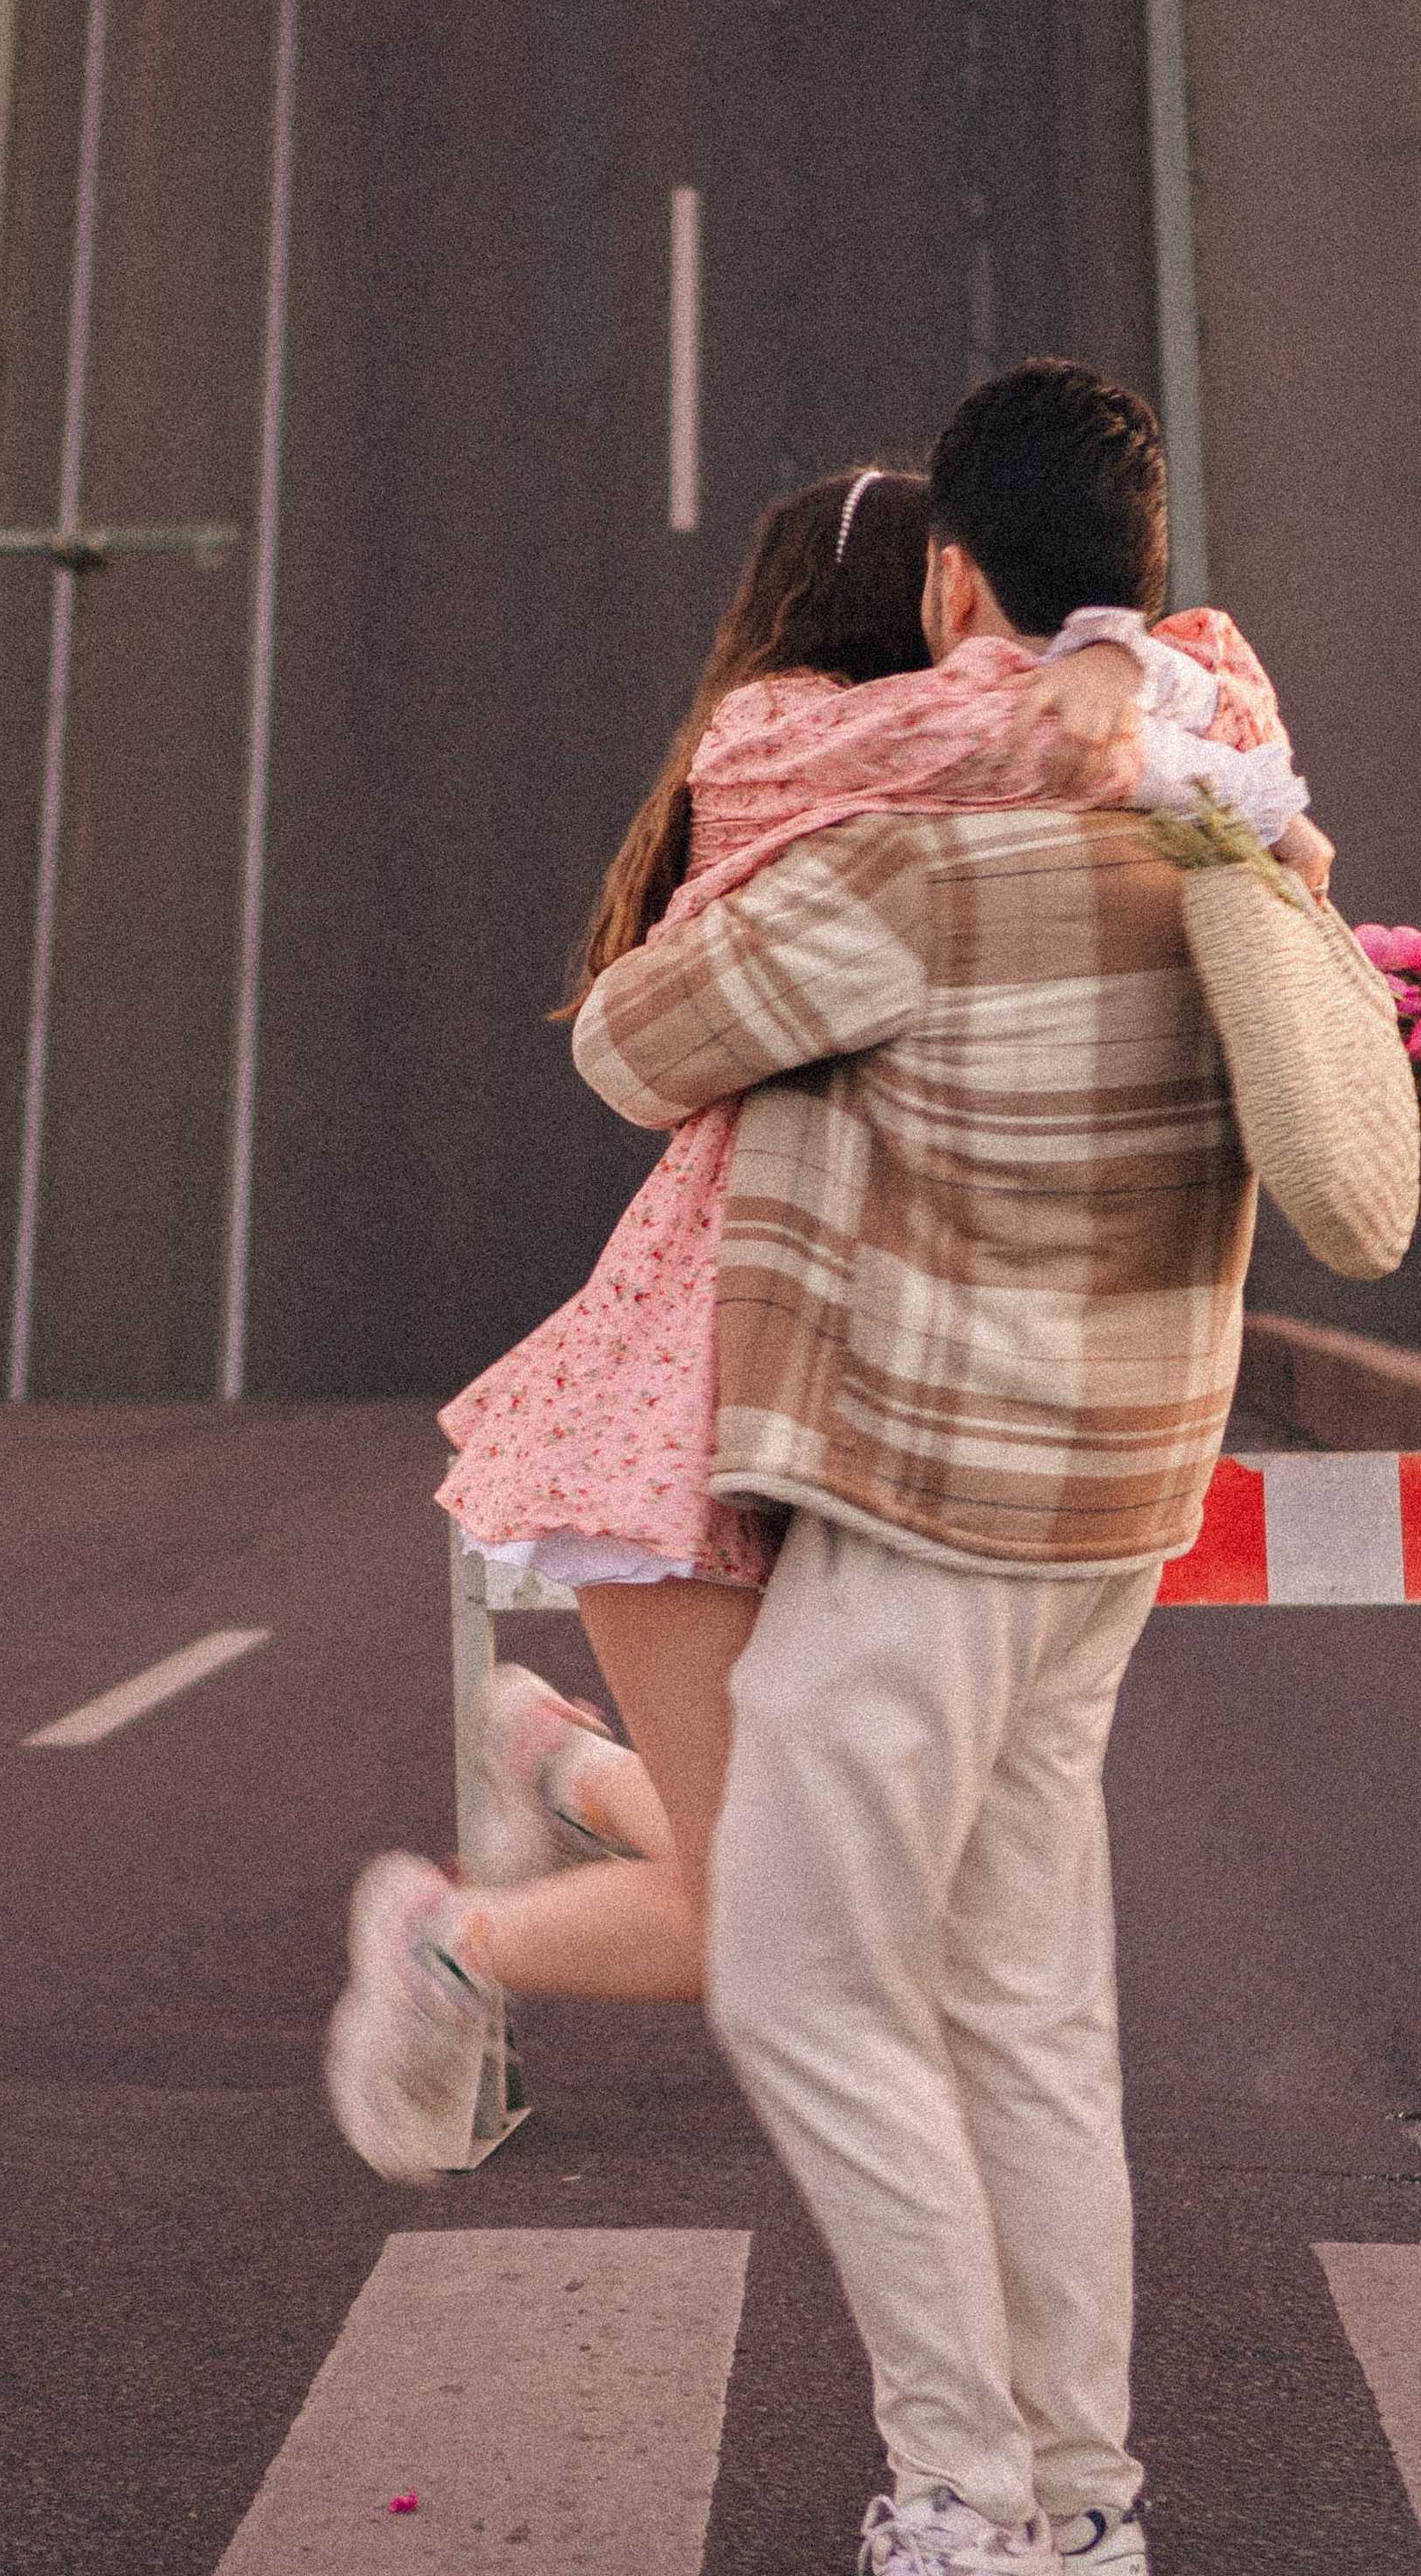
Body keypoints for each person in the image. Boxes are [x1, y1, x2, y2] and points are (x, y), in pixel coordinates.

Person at [327, 365, 1308, 2576]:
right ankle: (1081, 2505)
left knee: (794, 1979)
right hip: (1110, 1522)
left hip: (925, 1517)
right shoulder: (1236, 826)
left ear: (960, 581)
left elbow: (626, 1038)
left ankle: (961, 2491)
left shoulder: (905, 872)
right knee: (1030, 2020)